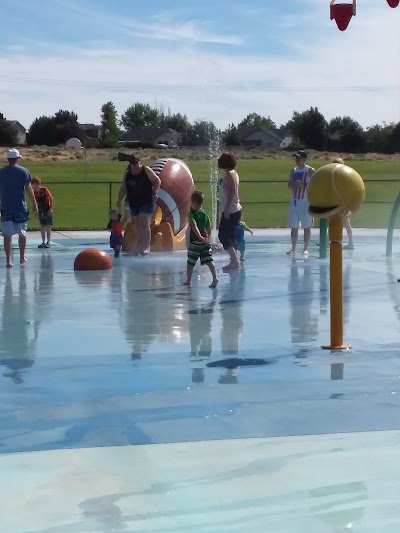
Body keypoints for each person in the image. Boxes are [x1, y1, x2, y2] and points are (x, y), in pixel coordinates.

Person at [0, 148, 38, 267]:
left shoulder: (2, 172)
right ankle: (21, 256)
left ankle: (8, 260)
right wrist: (34, 203)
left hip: (6, 206)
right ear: (17, 159)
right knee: (22, 233)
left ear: (8, 159)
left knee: (7, 234)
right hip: (20, 207)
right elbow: (28, 188)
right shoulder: (23, 171)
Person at [116, 154, 161, 255]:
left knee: (143, 222)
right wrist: (119, 200)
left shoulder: (146, 170)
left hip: (147, 200)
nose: (135, 166)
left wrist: (155, 192)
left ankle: (146, 246)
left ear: (139, 162)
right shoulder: (128, 174)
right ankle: (139, 246)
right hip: (134, 202)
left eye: (136, 164)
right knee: (136, 225)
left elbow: (157, 181)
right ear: (130, 164)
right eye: (133, 164)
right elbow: (123, 188)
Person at [184, 190, 218, 288]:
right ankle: (215, 277)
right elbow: (208, 227)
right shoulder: (204, 214)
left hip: (195, 242)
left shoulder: (191, 214)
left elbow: (194, 227)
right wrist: (208, 239)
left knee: (190, 262)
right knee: (209, 260)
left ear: (193, 202)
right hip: (205, 241)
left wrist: (199, 237)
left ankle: (188, 280)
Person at [287, 150, 314, 256]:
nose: (297, 160)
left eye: (299, 158)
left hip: (305, 200)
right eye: (296, 158)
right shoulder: (293, 171)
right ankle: (293, 248)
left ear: (304, 159)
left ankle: (305, 248)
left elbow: (316, 184)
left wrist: (304, 185)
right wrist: (293, 184)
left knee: (306, 225)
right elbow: (289, 185)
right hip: (294, 200)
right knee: (294, 226)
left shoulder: (310, 170)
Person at [217, 152, 242, 270]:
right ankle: (234, 259)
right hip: (234, 210)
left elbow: (232, 191)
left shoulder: (230, 175)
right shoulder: (233, 173)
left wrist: (226, 209)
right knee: (230, 235)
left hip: (231, 210)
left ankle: (235, 261)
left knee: (223, 235)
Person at [332, 157, 354, 249]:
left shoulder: (343, 176)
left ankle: (350, 242)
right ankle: (334, 240)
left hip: (342, 203)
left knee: (345, 222)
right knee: (336, 222)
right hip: (337, 202)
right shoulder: (335, 176)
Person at [31, 177, 53, 249]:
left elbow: (51, 198)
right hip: (40, 210)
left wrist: (50, 209)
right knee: (42, 226)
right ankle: (43, 241)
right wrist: (34, 211)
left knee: (48, 226)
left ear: (37, 184)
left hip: (47, 209)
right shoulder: (34, 193)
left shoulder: (44, 190)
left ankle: (48, 242)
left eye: (33, 185)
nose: (32, 186)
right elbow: (34, 203)